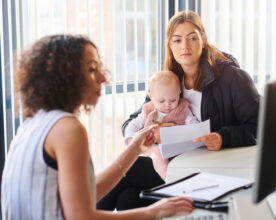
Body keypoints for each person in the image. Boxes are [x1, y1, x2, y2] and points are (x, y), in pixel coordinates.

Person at [1, 35, 194, 220]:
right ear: (66, 77)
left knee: (129, 197)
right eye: (92, 69)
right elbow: (81, 217)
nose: (103, 77)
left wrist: (135, 148)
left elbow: (86, 194)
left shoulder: (33, 124)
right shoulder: (68, 129)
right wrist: (154, 211)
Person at [99, 10, 260, 210]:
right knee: (129, 199)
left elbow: (261, 127)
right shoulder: (170, 80)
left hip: (211, 171)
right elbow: (135, 119)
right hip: (176, 166)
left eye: (192, 38)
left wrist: (222, 137)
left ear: (203, 39)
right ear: (169, 45)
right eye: (177, 40)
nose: (184, 46)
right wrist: (150, 133)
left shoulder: (233, 79)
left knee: (128, 170)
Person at [124, 70, 199, 180]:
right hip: (155, 147)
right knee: (156, 152)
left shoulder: (183, 108)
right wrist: (131, 140)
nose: (168, 105)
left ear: (179, 92)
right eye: (161, 101)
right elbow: (132, 125)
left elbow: (194, 126)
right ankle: (166, 176)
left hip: (178, 148)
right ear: (151, 96)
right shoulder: (148, 110)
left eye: (173, 100)